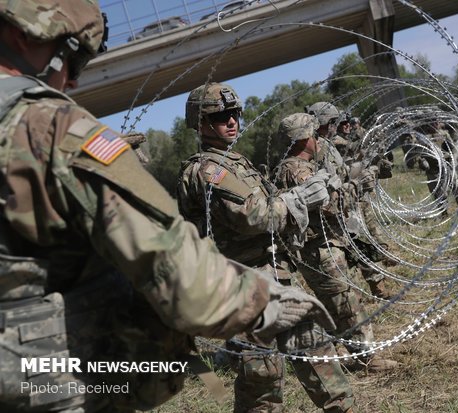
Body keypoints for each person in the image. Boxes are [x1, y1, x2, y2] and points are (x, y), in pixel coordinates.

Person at [0, 2, 335, 412]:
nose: (70, 80)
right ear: (25, 35)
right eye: (74, 59)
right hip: (53, 382)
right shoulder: (51, 129)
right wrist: (268, 303)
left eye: (236, 114)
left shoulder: (236, 162)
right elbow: (176, 267)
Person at [176, 83, 354, 413]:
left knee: (315, 350)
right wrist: (299, 199)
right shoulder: (207, 170)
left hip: (274, 273)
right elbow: (256, 217)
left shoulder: (235, 162)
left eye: (235, 115)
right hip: (244, 284)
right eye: (221, 116)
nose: (232, 122)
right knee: (262, 380)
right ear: (200, 123)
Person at [275, 112, 399, 371]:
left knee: (343, 303)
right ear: (304, 139)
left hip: (326, 244)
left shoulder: (301, 167)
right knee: (346, 305)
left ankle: (352, 351)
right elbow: (331, 206)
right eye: (313, 135)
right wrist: (360, 184)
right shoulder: (297, 171)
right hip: (318, 248)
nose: (318, 139)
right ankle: (367, 359)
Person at [306, 102, 395, 300]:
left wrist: (363, 171)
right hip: (334, 208)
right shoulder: (316, 147)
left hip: (345, 201)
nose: (335, 126)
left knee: (359, 246)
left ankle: (376, 288)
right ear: (322, 122)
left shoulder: (327, 144)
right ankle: (359, 294)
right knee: (349, 252)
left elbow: (342, 171)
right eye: (332, 122)